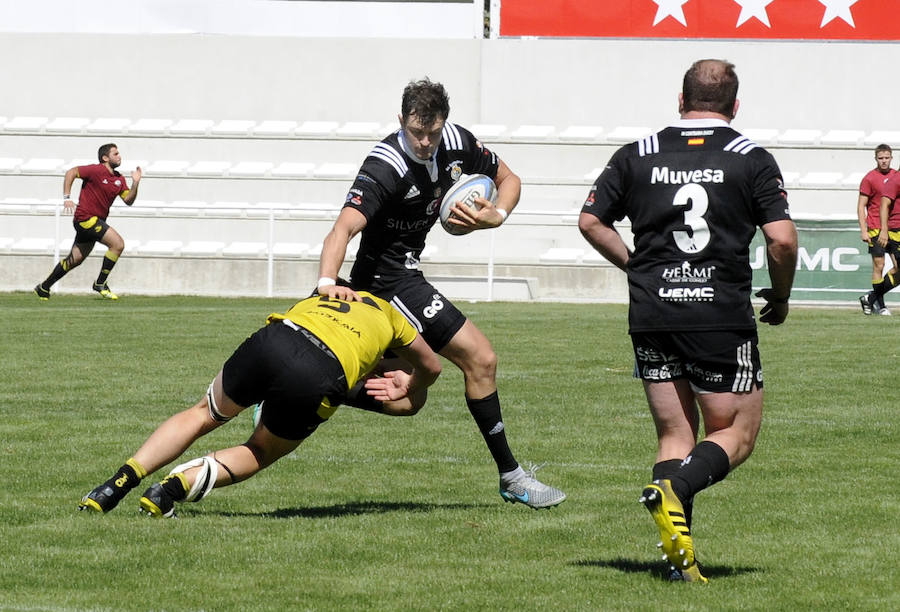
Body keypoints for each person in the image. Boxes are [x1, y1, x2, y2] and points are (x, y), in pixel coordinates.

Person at [578, 59, 797, 582]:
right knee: (736, 433)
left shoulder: (638, 154)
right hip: (718, 314)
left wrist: (638, 267)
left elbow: (590, 220)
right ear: (735, 105)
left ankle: (678, 565)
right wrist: (782, 296)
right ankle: (677, 488)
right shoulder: (750, 157)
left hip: (652, 312)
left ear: (681, 100)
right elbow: (783, 239)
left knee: (676, 436)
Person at [315, 77, 565, 509]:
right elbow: (343, 227)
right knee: (481, 359)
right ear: (401, 122)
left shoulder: (455, 141)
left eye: (433, 131)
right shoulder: (385, 165)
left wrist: (497, 214)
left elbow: (509, 178)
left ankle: (310, 391)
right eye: (417, 132)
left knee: (411, 401)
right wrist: (326, 284)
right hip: (384, 283)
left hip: (407, 275)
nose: (427, 142)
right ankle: (513, 477)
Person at [78, 290, 442, 517]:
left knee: (203, 413)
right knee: (261, 450)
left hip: (277, 336)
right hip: (320, 372)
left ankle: (113, 486)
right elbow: (431, 368)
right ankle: (170, 489)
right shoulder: (393, 317)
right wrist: (410, 382)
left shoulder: (326, 295)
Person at [34, 143, 142, 300]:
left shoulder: (119, 179)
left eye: (119, 153)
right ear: (105, 158)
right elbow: (71, 172)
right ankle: (100, 283)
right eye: (116, 153)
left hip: (94, 222)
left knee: (75, 260)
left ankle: (44, 287)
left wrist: (136, 183)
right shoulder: (95, 170)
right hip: (85, 218)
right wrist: (67, 198)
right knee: (118, 244)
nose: (119, 156)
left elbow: (128, 200)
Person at [857, 144, 898, 315]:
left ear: (891, 158)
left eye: (886, 157)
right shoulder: (869, 178)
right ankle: (880, 306)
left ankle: (871, 297)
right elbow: (861, 206)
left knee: (898, 267)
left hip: (893, 229)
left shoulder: (896, 176)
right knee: (878, 265)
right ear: (876, 159)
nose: (884, 161)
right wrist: (863, 230)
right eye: (881, 158)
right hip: (875, 227)